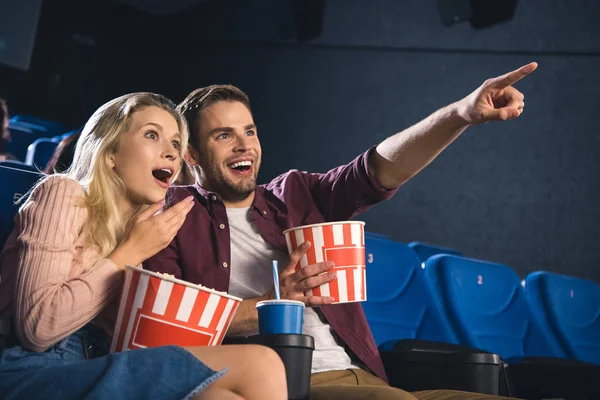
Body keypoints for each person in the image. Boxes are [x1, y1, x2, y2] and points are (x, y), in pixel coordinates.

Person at [144, 63, 537, 400]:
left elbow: (376, 169)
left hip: (365, 377)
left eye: (249, 131)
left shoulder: (294, 194)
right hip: (286, 384)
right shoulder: (171, 215)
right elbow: (166, 332)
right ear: (191, 154)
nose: (244, 146)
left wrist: (461, 114)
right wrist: (271, 303)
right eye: (224, 135)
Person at [0, 92, 287, 400]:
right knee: (262, 362)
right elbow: (39, 328)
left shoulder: (150, 230)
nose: (171, 153)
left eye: (176, 144)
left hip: (100, 365)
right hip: (33, 370)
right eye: (152, 135)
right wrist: (131, 253)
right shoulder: (63, 194)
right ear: (111, 152)